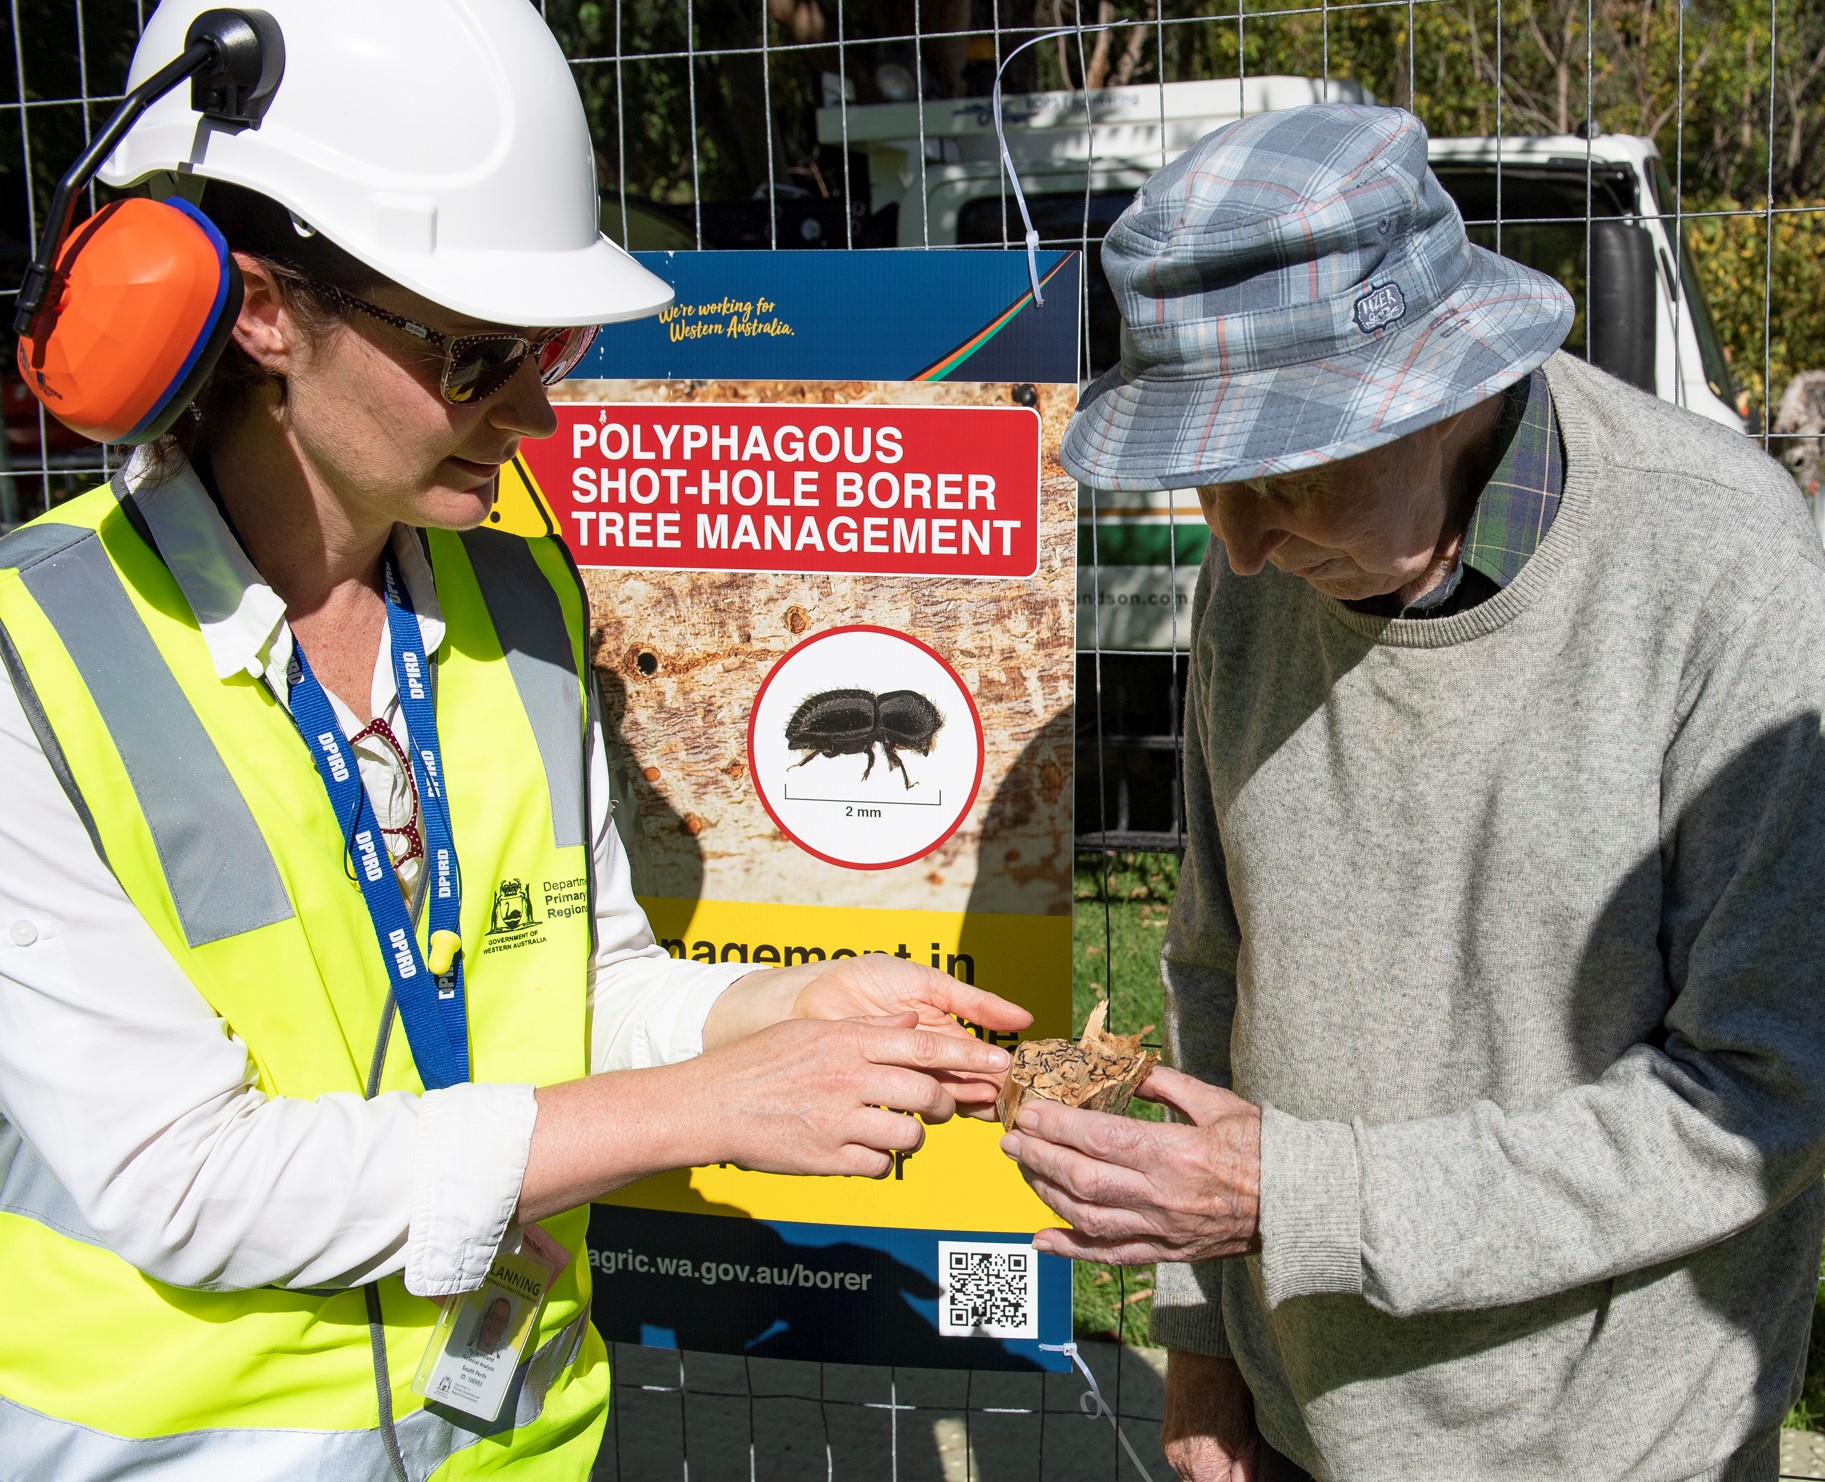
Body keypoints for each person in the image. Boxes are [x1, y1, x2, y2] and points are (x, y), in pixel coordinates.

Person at [0, 2, 1025, 1477]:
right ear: (260, 309)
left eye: (553, 342)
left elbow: (569, 986)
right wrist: (702, 1103)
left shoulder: (515, 596)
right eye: (479, 353)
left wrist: (772, 1019)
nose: (538, 409)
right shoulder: (38, 667)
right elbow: (185, 1179)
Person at [1006, 103, 1825, 1481]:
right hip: (1297, 1416)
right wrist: (1208, 1358)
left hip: (1610, 1443)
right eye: (1205, 480)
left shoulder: (1725, 570)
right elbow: (1215, 963)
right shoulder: (1263, 566)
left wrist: (1294, 1196)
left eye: (1280, 470)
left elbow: (1759, 1092)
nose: (1240, 544)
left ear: (1443, 384)